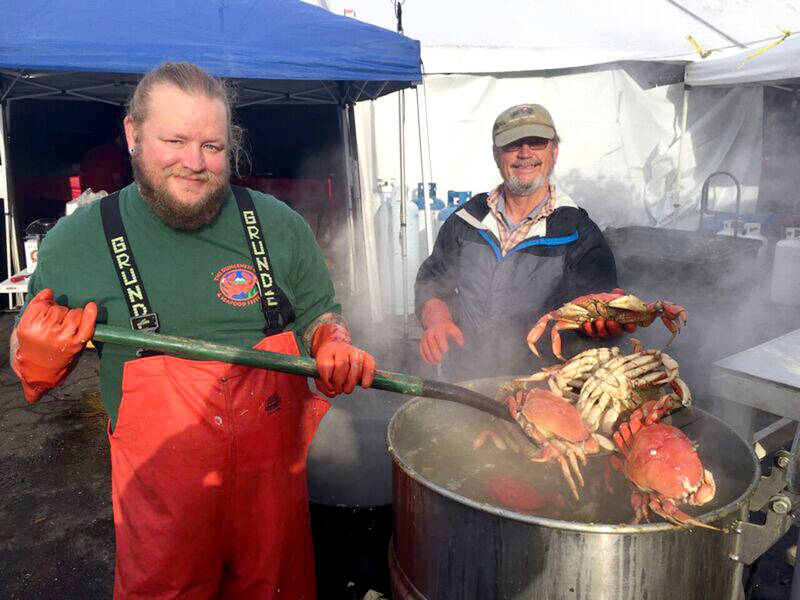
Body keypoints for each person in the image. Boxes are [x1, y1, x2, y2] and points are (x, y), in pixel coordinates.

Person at [10, 62, 375, 599]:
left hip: (271, 511)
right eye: (174, 140)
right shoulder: (77, 242)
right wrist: (34, 356)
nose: (194, 163)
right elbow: (25, 361)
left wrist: (331, 339)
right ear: (132, 134)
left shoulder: (279, 225)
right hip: (163, 520)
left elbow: (321, 310)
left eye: (213, 146)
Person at [415, 103, 632, 382]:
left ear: (554, 152)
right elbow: (432, 280)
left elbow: (597, 318)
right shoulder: (466, 219)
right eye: (512, 144)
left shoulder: (580, 234)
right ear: (496, 155)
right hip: (464, 383)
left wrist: (606, 325)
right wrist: (437, 321)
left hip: (541, 390)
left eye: (537, 143)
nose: (525, 153)